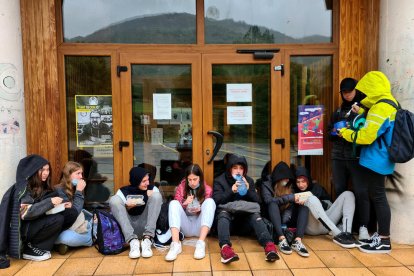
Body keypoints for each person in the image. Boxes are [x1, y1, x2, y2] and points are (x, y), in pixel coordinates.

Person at [338, 71, 397, 253]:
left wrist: (346, 133)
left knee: (379, 198)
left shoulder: (381, 108)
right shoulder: (387, 104)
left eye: (365, 91)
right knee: (378, 197)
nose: (363, 95)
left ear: (372, 89)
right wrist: (362, 111)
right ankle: (381, 237)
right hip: (381, 157)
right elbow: (378, 124)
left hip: (377, 159)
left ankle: (384, 240)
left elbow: (367, 135)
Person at [213, 154, 279, 264]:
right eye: (235, 168)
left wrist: (249, 190)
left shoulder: (248, 180)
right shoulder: (220, 180)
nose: (238, 171)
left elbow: (259, 203)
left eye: (241, 168)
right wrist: (231, 191)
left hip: (245, 223)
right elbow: (216, 201)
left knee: (255, 215)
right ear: (229, 168)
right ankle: (225, 249)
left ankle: (269, 247)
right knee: (223, 213)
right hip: (228, 224)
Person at [0, 154, 65, 263]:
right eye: (42, 170)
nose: (46, 173)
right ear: (33, 171)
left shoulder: (41, 185)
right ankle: (30, 249)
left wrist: (59, 205)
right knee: (57, 219)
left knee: (68, 213)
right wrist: (50, 202)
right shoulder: (24, 188)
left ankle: (39, 247)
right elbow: (25, 213)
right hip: (23, 230)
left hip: (32, 225)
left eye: (48, 170)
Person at [328, 77, 371, 242]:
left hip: (356, 156)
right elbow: (328, 135)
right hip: (338, 156)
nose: (347, 95)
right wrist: (334, 132)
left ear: (356, 91)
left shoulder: (365, 109)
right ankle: (343, 226)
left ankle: (363, 227)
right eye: (344, 93)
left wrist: (360, 114)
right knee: (340, 191)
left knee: (361, 192)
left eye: (350, 92)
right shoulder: (337, 111)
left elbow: (369, 132)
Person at [294, 166, 360, 249]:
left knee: (348, 194)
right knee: (311, 199)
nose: (300, 185)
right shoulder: (294, 192)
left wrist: (319, 203)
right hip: (311, 227)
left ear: (308, 179)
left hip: (327, 222)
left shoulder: (317, 188)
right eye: (298, 182)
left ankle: (346, 233)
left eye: (303, 181)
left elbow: (330, 205)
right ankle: (338, 235)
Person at [165, 164, 216, 261]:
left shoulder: (207, 189)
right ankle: (175, 244)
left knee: (210, 202)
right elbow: (176, 208)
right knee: (173, 203)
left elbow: (207, 211)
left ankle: (200, 244)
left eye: (195, 179)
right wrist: (185, 203)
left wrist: (200, 209)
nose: (192, 182)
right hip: (186, 226)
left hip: (200, 226)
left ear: (200, 178)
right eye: (190, 179)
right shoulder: (181, 187)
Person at [109, 166, 162, 259]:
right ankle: (133, 242)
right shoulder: (122, 192)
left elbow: (158, 208)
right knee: (114, 199)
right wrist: (126, 207)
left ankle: (147, 240)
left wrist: (149, 196)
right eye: (144, 181)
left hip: (147, 227)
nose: (148, 183)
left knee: (156, 196)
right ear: (136, 181)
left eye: (148, 180)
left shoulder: (152, 189)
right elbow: (117, 211)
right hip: (128, 229)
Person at [261, 161, 310, 257]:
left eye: (288, 179)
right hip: (273, 216)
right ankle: (281, 239)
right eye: (284, 179)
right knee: (272, 204)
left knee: (304, 207)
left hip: (287, 215)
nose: (286, 181)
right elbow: (268, 201)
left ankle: (298, 241)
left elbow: (291, 204)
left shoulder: (289, 184)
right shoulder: (266, 185)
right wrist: (291, 197)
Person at [53, 161, 92, 254]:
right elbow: (74, 212)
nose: (81, 177)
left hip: (77, 224)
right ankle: (90, 238)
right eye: (78, 173)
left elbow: (80, 208)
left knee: (94, 219)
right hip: (67, 227)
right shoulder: (58, 190)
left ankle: (64, 244)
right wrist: (79, 191)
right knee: (66, 237)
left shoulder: (76, 188)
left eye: (81, 173)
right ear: (68, 175)